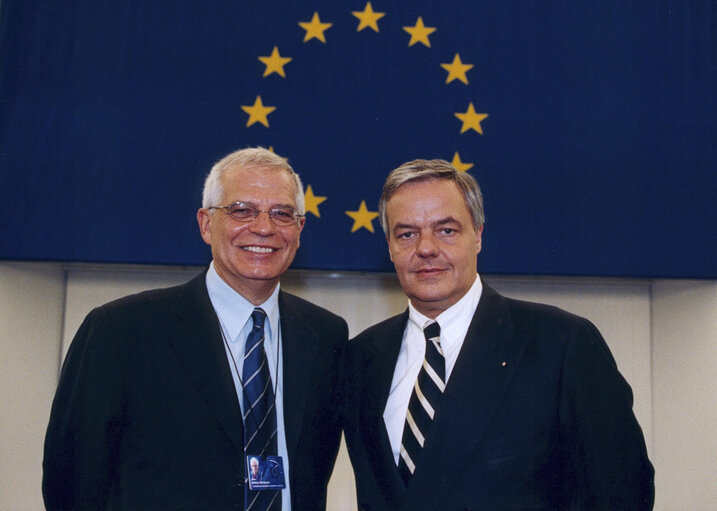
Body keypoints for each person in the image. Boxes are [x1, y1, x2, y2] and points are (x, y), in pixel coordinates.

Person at [43, 147, 348, 510]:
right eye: (241, 210)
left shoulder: (326, 336)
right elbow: (71, 486)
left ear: (299, 229)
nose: (264, 227)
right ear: (206, 224)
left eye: (282, 213)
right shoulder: (120, 331)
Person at [342, 159, 655, 510]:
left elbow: (624, 492)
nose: (426, 248)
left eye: (446, 230)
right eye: (407, 234)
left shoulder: (561, 344)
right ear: (389, 246)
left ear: (477, 235)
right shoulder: (361, 359)